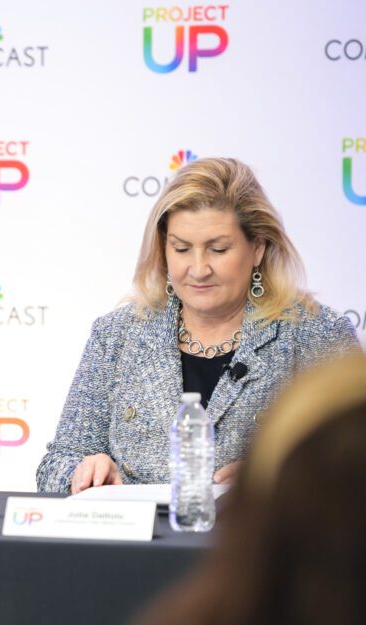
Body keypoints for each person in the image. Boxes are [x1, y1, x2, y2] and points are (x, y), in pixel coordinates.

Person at [38, 157, 359, 494]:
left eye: (218, 249)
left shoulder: (318, 335)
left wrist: (274, 485)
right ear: (163, 250)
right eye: (181, 248)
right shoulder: (118, 334)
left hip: (256, 544)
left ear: (258, 248)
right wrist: (84, 472)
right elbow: (55, 466)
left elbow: (354, 475)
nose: (198, 268)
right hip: (136, 547)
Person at [111, 354, 366, 625]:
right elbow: (60, 459)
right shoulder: (116, 334)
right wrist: (87, 469)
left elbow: (341, 438)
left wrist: (262, 474)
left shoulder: (311, 331)